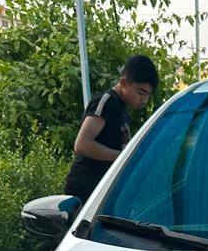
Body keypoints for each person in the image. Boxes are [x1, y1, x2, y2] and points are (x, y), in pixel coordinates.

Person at [63, 54, 158, 204]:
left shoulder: (122, 109)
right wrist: (123, 157)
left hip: (104, 191)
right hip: (85, 191)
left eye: (148, 95)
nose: (144, 100)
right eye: (141, 93)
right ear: (124, 82)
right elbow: (82, 144)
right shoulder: (106, 102)